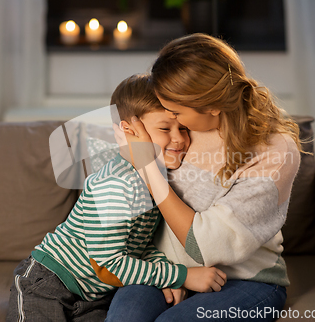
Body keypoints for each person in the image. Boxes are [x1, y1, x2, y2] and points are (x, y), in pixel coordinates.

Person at [107, 34, 304, 322]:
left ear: (212, 106)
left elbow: (205, 246)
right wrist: (170, 273)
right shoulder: (181, 128)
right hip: (167, 270)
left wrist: (147, 167)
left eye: (176, 112)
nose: (175, 123)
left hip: (247, 281)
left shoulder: (274, 151)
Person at [5, 74, 226, 322]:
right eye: (165, 128)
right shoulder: (117, 186)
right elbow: (108, 265)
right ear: (129, 131)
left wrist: (165, 277)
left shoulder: (154, 182)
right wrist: (181, 275)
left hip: (94, 294)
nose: (180, 139)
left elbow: (138, 248)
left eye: (183, 128)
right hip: (49, 281)